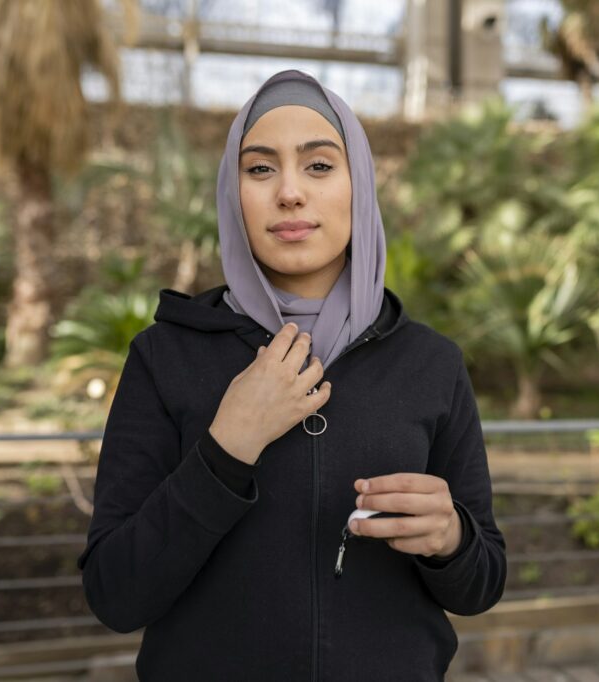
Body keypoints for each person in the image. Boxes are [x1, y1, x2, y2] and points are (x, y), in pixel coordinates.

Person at [78, 69, 506, 681]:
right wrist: (227, 446)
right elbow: (115, 594)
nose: (289, 193)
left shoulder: (431, 363)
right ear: (234, 194)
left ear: (359, 185)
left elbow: (482, 583)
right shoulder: (164, 358)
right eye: (260, 169)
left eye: (320, 165)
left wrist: (452, 538)